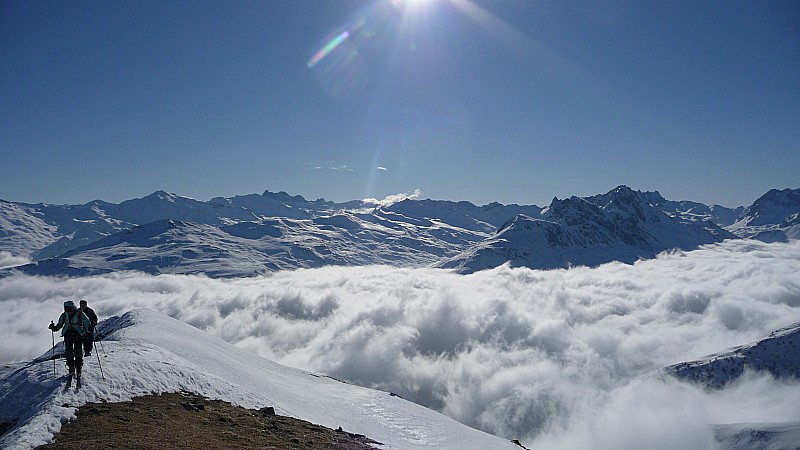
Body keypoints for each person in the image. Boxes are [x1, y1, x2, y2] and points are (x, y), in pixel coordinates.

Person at [49, 300, 92, 377]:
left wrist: (87, 329)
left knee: (77, 351)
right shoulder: (69, 315)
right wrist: (54, 328)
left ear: (72, 308)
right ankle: (73, 367)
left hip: (75, 334)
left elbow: (87, 321)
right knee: (70, 352)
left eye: (69, 309)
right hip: (73, 334)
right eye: (66, 309)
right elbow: (60, 324)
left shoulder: (78, 314)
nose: (68, 311)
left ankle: (77, 367)